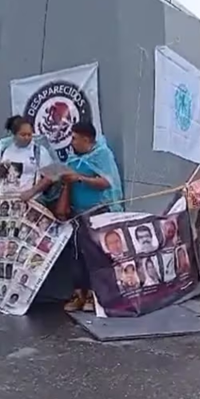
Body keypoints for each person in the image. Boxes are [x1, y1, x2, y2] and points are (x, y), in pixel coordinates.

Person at [54, 122, 123, 312]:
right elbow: (69, 180)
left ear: (86, 139)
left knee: (97, 256)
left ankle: (95, 295)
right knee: (78, 256)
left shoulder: (102, 155)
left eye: (74, 138)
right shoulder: (74, 159)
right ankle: (79, 294)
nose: (71, 142)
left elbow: (106, 182)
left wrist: (79, 178)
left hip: (99, 211)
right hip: (78, 212)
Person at [0, 115, 57, 201]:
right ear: (13, 134)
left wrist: (31, 192)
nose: (27, 138)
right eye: (23, 135)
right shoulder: (3, 149)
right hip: (5, 199)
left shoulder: (39, 151)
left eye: (29, 134)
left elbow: (50, 177)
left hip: (31, 200)